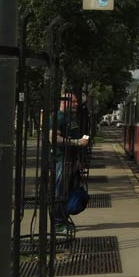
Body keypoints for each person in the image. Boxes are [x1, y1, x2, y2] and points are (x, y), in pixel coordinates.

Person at [53, 94, 89, 232]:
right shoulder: (58, 118)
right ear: (64, 102)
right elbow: (53, 138)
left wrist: (78, 159)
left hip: (71, 160)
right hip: (61, 160)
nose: (76, 104)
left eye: (76, 102)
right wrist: (76, 142)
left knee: (67, 192)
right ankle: (58, 223)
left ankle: (63, 219)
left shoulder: (71, 118)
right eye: (73, 102)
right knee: (59, 192)